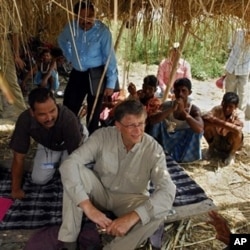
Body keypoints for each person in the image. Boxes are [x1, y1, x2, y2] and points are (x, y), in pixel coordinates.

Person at [57, 99, 176, 250]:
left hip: (130, 200)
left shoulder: (153, 149)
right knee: (73, 173)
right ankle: (69, 242)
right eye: (131, 125)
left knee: (158, 214)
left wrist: (133, 217)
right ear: (118, 126)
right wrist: (88, 207)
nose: (138, 130)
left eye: (141, 123)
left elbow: (168, 189)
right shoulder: (103, 136)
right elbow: (69, 164)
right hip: (100, 192)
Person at [9, 88, 88, 200]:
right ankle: (58, 162)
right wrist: (15, 189)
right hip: (49, 145)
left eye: (52, 111)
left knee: (68, 177)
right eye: (42, 114)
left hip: (74, 143)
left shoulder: (68, 119)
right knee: (38, 179)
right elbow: (18, 157)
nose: (49, 118)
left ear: (57, 105)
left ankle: (61, 163)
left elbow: (77, 157)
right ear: (32, 112)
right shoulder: (24, 120)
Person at [58, 0, 118, 134]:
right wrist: (70, 57)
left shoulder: (102, 32)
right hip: (77, 74)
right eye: (81, 19)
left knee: (94, 111)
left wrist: (110, 83)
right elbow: (61, 41)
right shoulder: (71, 27)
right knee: (69, 107)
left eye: (89, 18)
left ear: (94, 15)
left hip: (96, 75)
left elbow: (109, 58)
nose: (85, 22)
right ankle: (69, 135)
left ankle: (92, 139)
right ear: (75, 16)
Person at [146, 78, 204, 163]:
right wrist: (172, 109)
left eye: (184, 91)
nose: (180, 94)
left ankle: (184, 158)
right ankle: (152, 151)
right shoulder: (166, 105)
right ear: (174, 91)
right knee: (157, 120)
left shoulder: (194, 110)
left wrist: (184, 113)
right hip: (167, 140)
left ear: (189, 93)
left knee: (196, 128)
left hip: (182, 142)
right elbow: (152, 120)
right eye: (177, 91)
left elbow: (200, 129)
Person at [202, 92, 244, 166]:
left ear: (236, 106)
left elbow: (237, 129)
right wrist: (228, 126)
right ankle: (211, 149)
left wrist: (216, 121)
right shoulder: (217, 109)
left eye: (230, 107)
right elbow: (205, 118)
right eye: (225, 105)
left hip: (229, 142)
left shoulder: (239, 114)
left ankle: (231, 154)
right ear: (222, 103)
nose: (227, 109)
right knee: (206, 125)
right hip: (217, 138)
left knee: (238, 133)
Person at [0, 1, 27, 117]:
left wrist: (16, 55)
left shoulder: (6, 11)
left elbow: (15, 34)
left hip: (4, 47)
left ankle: (22, 113)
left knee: (11, 81)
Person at [224, 28, 250, 119]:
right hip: (232, 67)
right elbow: (230, 46)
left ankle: (239, 118)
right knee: (230, 92)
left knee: (242, 93)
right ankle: (226, 115)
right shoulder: (238, 32)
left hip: (245, 68)